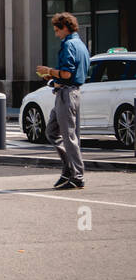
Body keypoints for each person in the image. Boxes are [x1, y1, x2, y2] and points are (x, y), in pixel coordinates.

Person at [37, 12, 90, 190]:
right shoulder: (81, 44)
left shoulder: (68, 44)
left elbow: (67, 73)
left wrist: (49, 70)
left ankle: (77, 175)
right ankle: (69, 169)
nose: (56, 33)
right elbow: (72, 75)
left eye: (57, 30)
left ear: (65, 28)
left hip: (67, 94)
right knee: (52, 132)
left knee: (68, 136)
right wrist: (53, 80)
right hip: (69, 91)